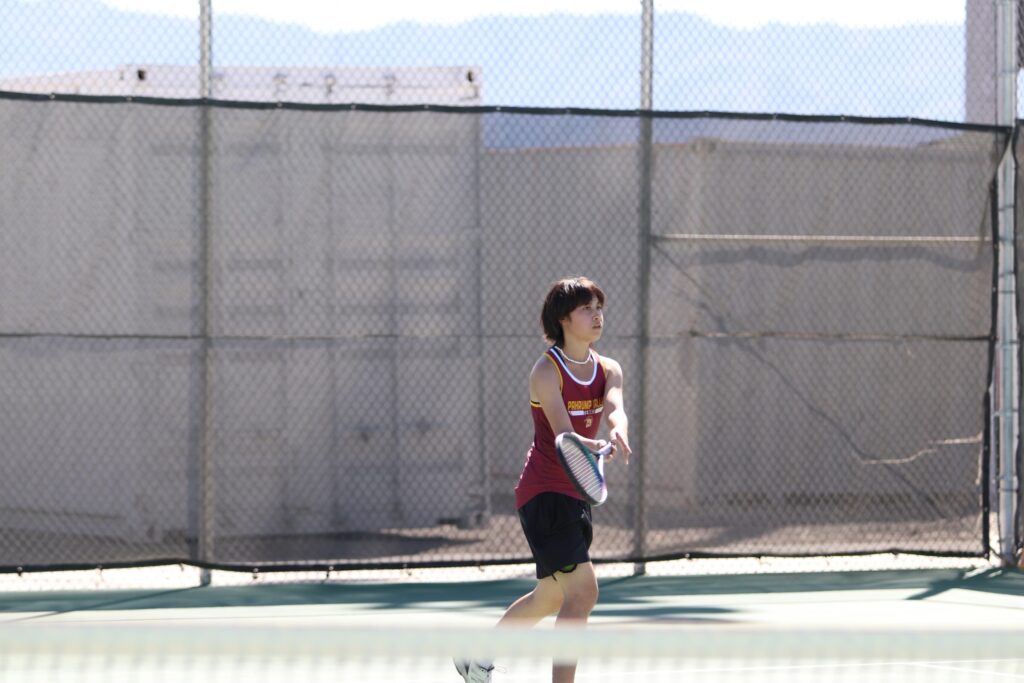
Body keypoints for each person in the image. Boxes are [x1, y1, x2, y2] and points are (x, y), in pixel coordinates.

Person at [456, 276, 632, 683]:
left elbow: (614, 407)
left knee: (551, 596)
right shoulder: (546, 370)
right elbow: (563, 433)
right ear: (563, 319)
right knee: (583, 592)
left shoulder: (609, 368)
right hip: (544, 493)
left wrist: (618, 430)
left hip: (575, 494)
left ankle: (477, 659)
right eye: (586, 309)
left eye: (599, 308)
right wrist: (594, 443)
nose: (597, 315)